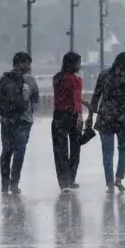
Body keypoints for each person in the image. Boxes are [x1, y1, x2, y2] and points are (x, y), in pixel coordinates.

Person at [0, 52, 39, 194]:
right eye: (27, 63)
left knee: (6, 151)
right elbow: (35, 101)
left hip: (6, 120)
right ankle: (14, 184)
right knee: (19, 152)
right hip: (24, 122)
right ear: (20, 63)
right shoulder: (31, 81)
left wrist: (1, 107)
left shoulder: (2, 78)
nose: (29, 66)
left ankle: (4, 185)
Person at [86, 52, 125, 193]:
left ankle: (109, 184)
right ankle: (118, 179)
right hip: (124, 120)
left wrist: (90, 116)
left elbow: (96, 97)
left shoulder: (103, 75)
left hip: (105, 119)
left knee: (107, 153)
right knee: (123, 150)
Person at [52, 52, 85, 192]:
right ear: (72, 64)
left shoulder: (57, 78)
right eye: (78, 63)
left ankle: (63, 181)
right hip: (72, 115)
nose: (79, 66)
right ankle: (71, 178)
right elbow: (75, 100)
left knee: (60, 150)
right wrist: (80, 116)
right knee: (75, 148)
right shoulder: (75, 80)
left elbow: (65, 96)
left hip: (58, 116)